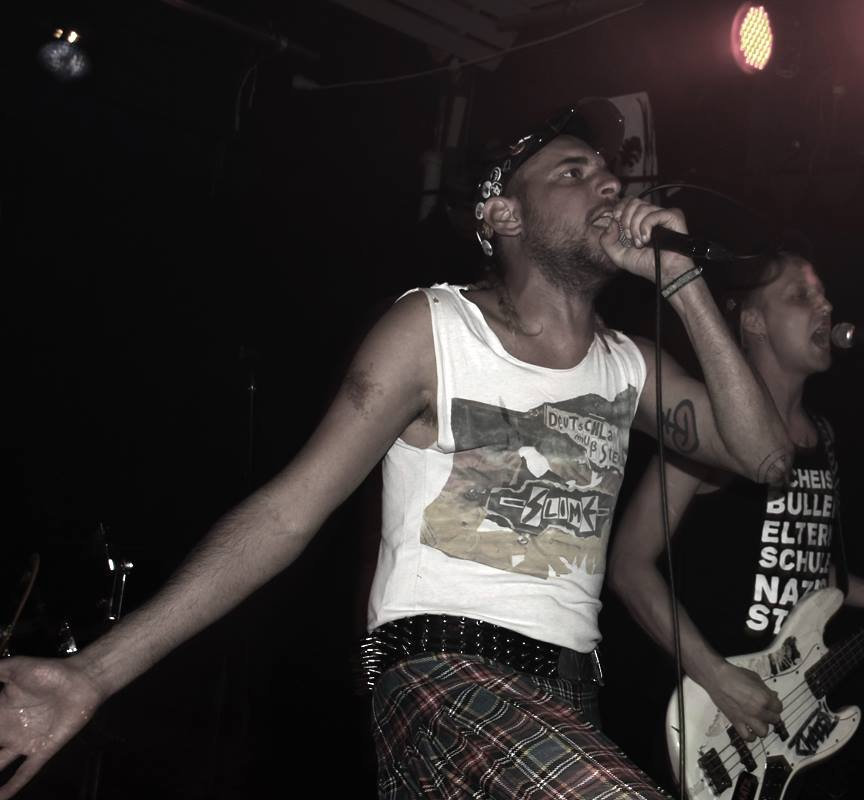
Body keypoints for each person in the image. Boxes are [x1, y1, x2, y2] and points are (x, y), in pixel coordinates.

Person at [0, 100, 794, 799]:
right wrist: (93, 672)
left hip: (570, 696)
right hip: (443, 672)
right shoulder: (435, 329)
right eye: (573, 172)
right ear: (504, 216)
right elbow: (286, 514)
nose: (609, 185)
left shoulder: (631, 365)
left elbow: (765, 458)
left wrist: (683, 282)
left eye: (608, 174)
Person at [608, 251, 864, 753]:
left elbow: (797, 565)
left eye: (823, 294)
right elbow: (628, 564)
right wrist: (714, 674)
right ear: (753, 321)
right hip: (703, 717)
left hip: (784, 719)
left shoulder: (823, 436)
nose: (826, 306)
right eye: (801, 296)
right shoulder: (712, 428)